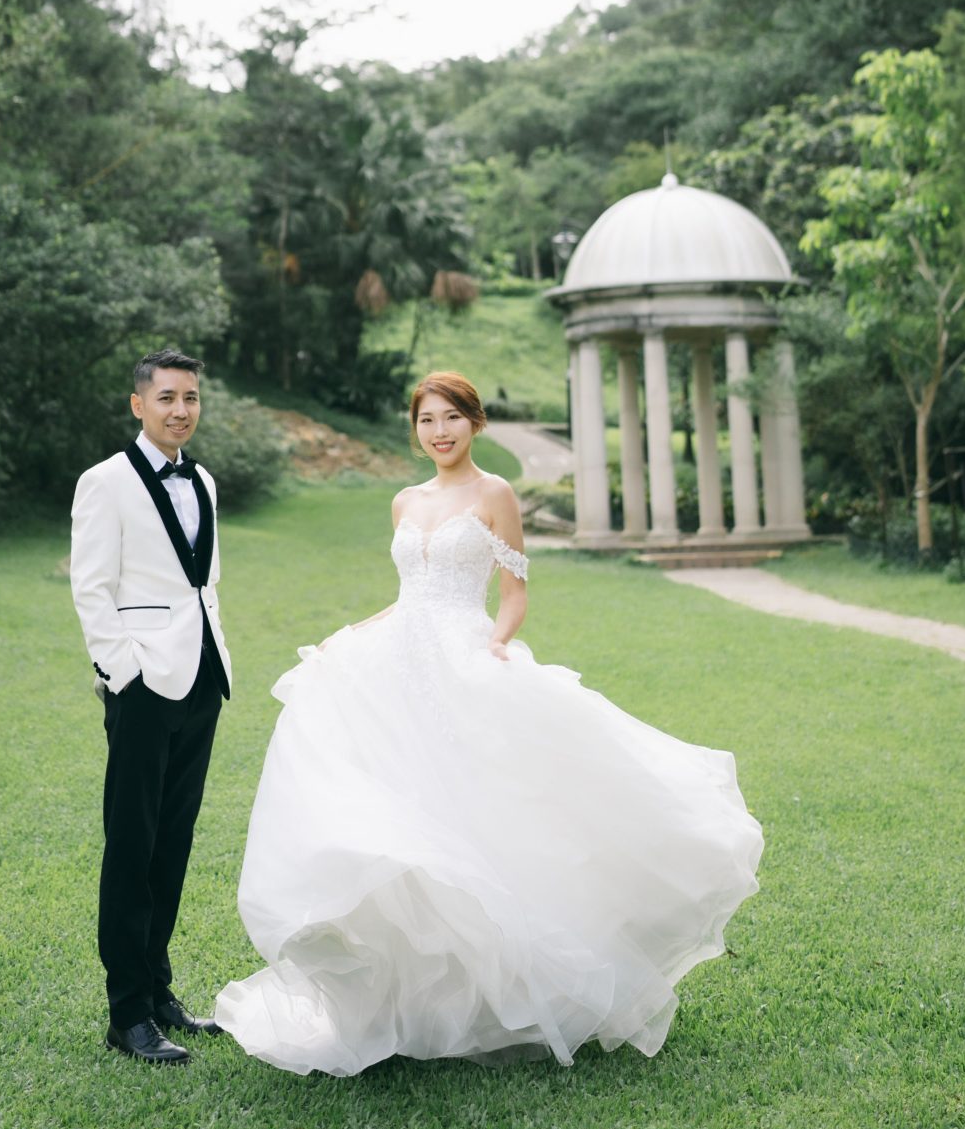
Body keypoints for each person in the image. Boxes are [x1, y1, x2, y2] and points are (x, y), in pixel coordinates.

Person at [214, 369, 762, 1075]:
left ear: (474, 422)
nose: (438, 431)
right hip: (397, 661)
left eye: (450, 417)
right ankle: (401, 988)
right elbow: (407, 596)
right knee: (398, 810)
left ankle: (505, 983)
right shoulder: (404, 501)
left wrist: (497, 642)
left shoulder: (494, 493)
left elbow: (514, 593)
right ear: (415, 429)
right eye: (426, 420)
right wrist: (346, 636)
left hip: (464, 652)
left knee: (481, 812)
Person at [70, 349, 231, 1067]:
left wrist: (209, 661)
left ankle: (160, 992)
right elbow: (91, 588)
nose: (180, 410)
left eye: (190, 397)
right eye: (166, 397)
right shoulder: (104, 481)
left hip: (201, 680)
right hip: (141, 687)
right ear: (139, 404)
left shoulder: (204, 479)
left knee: (173, 843)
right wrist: (124, 675)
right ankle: (127, 1014)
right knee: (132, 848)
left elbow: (201, 582)